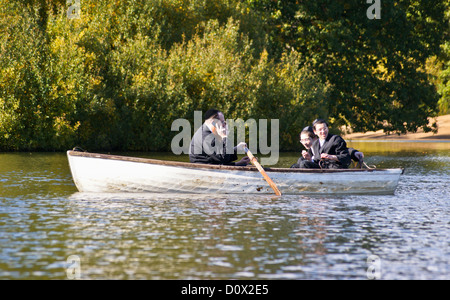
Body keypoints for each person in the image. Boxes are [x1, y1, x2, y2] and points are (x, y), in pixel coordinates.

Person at [291, 125, 364, 168]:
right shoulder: (310, 150)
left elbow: (343, 150)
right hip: (316, 167)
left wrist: (354, 153)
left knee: (304, 163)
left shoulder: (326, 143)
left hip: (326, 168)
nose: (304, 143)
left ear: (315, 138)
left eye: (306, 140)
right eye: (302, 140)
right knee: (299, 161)